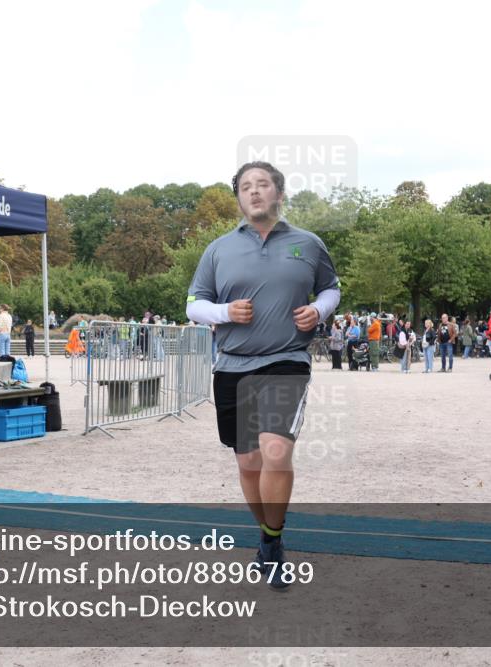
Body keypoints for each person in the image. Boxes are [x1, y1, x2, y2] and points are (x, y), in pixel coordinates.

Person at [186, 161, 340, 590]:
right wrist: (224, 312)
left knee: (275, 451)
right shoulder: (218, 249)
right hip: (233, 364)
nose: (254, 192)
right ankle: (268, 537)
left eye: (263, 184)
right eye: (245, 187)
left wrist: (319, 310)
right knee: (249, 463)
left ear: (279, 194)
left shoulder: (308, 244)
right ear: (239, 197)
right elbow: (194, 304)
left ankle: (272, 544)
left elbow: (331, 287)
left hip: (286, 359)